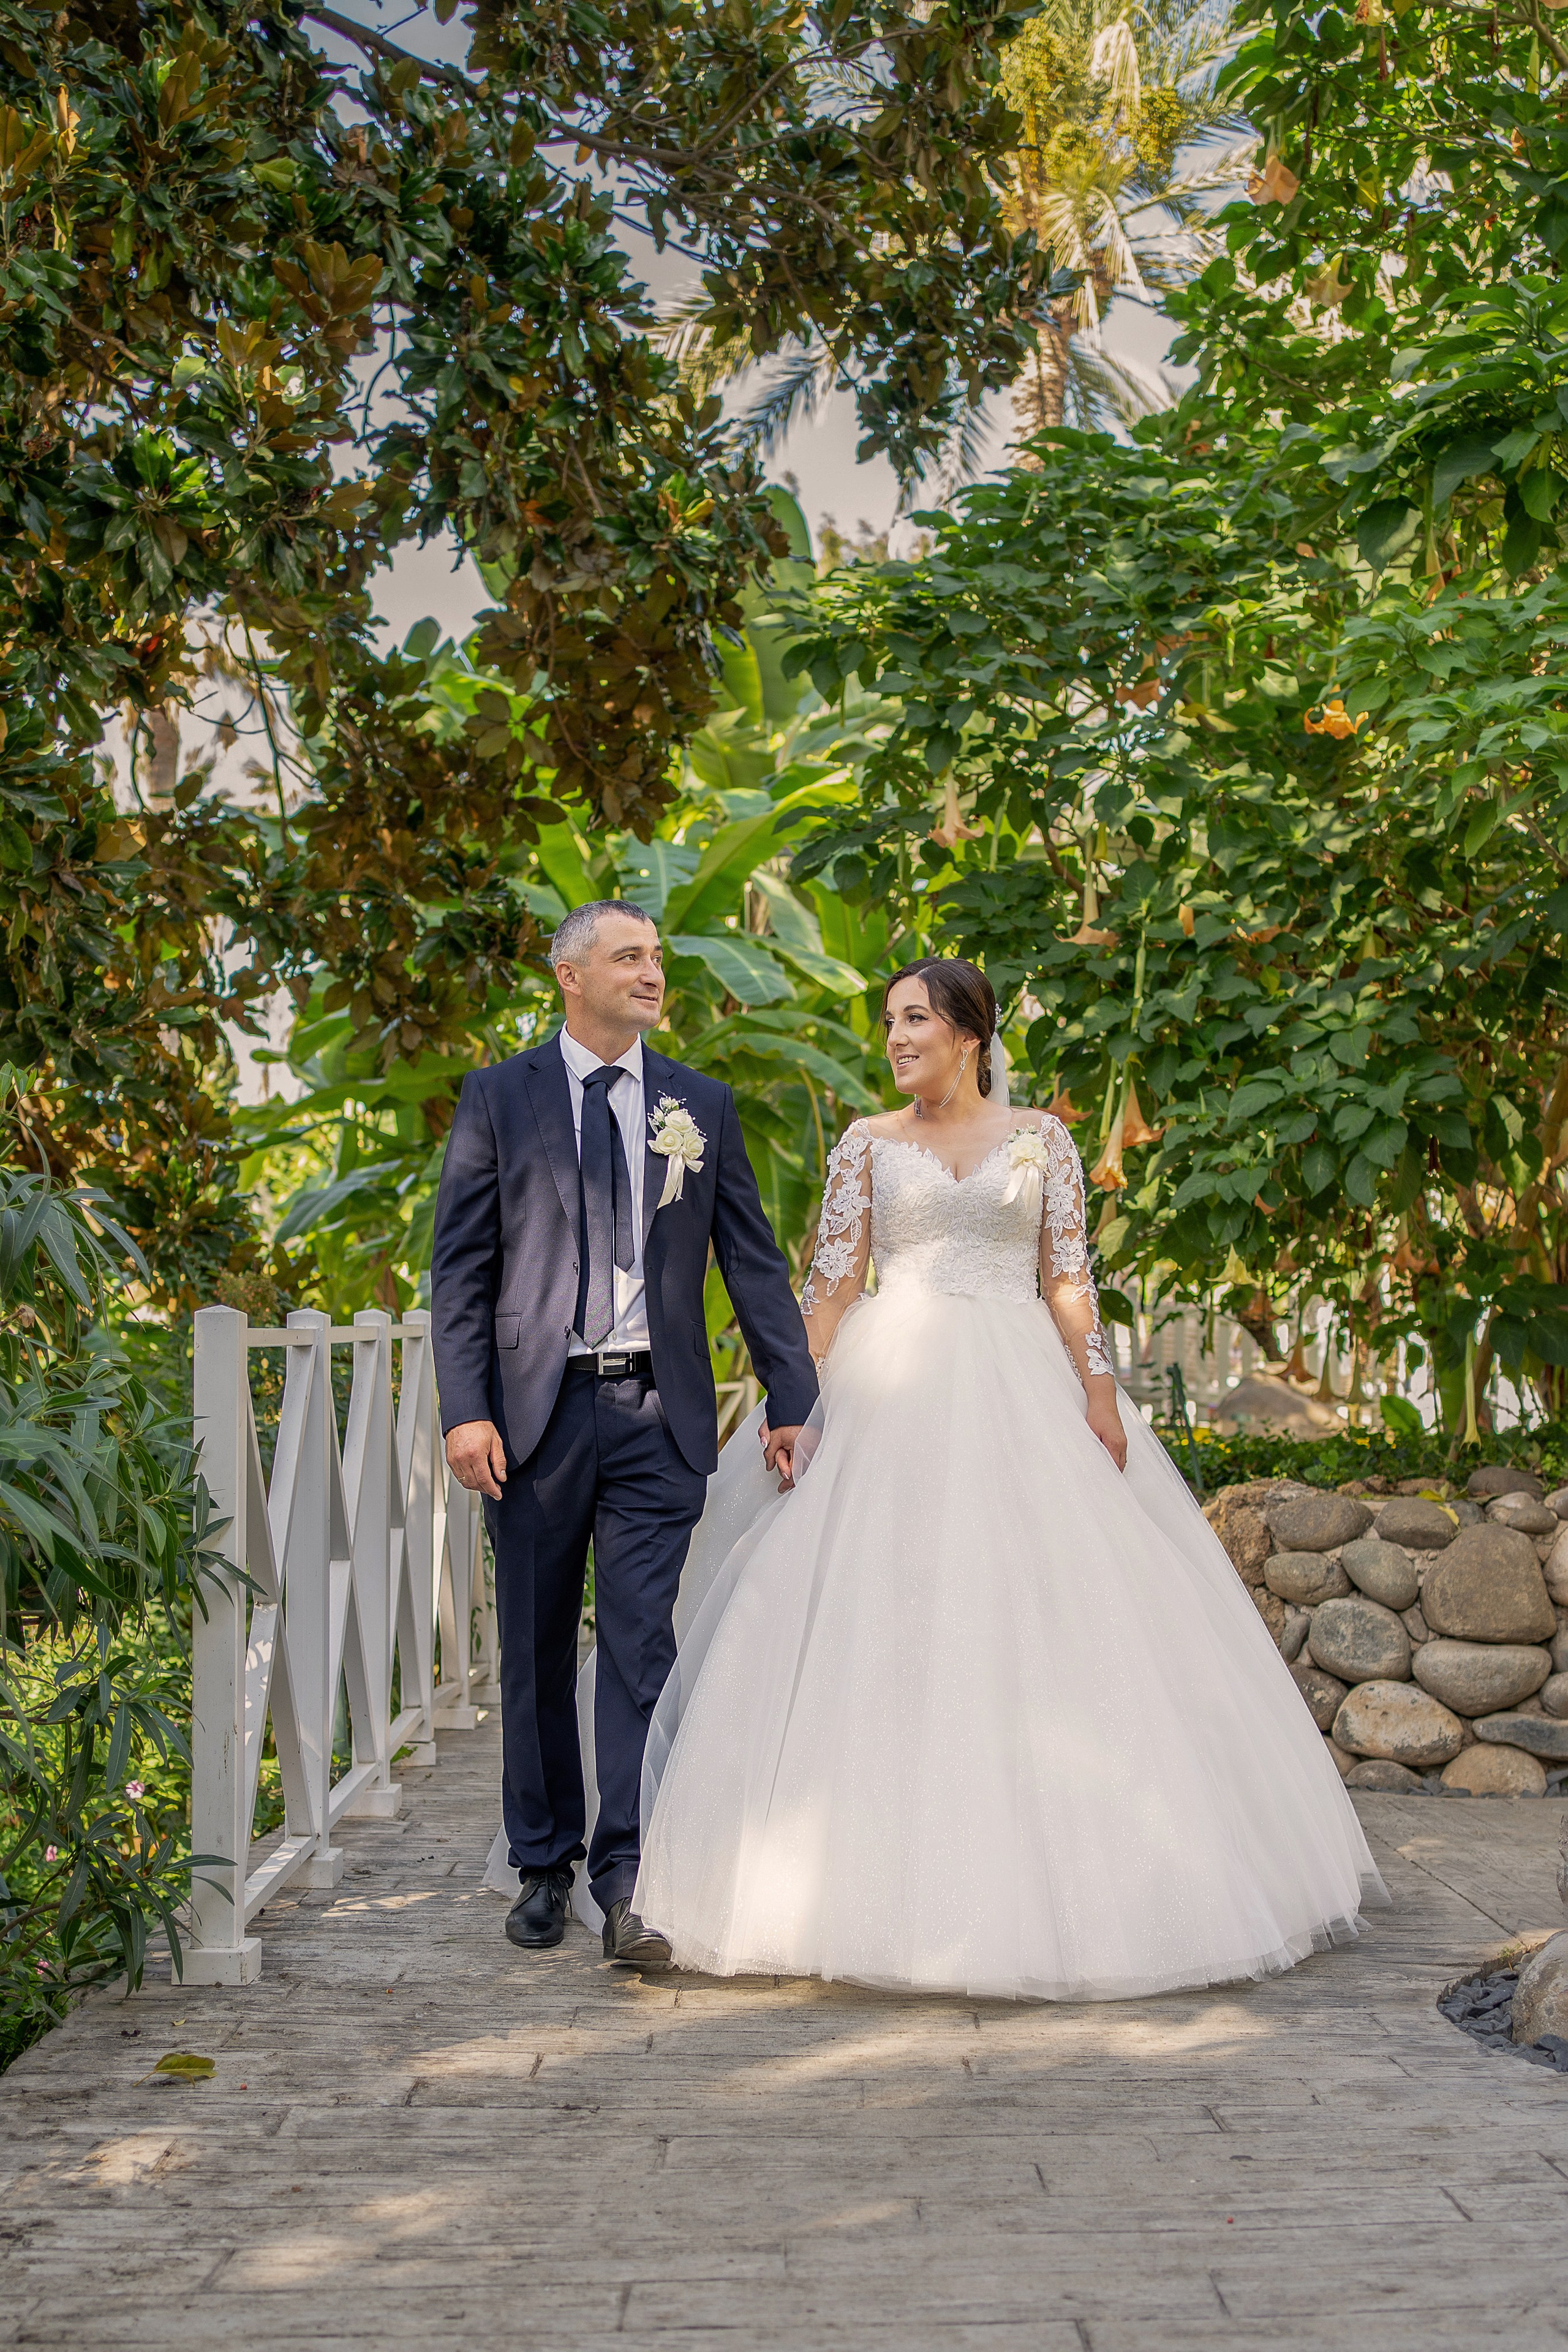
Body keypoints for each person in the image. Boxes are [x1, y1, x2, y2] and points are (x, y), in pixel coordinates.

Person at [625, 956, 1386, 2000]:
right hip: (887, 1388)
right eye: (888, 1021)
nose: (895, 1039)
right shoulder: (866, 1146)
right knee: (874, 1608)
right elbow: (833, 1286)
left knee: (1046, 1607)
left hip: (1020, 1381)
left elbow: (1067, 1277)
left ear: (970, 1036)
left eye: (914, 1021)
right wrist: (796, 1404)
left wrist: (1101, 1389)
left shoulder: (1043, 1141)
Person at [430, 901, 818, 1966]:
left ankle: (628, 1875)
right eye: (630, 957)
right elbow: (459, 1270)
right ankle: (542, 1864)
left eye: (657, 958)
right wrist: (465, 1407)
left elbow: (753, 1263)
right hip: (533, 1419)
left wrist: (793, 1398)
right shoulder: (499, 1098)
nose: (654, 973)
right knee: (538, 1645)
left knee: (641, 1647)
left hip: (659, 1414)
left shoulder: (702, 1104)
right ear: (570, 975)